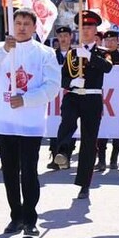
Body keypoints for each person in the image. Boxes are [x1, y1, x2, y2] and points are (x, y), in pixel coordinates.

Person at [0, 8, 60, 235]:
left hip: (31, 123)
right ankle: (16, 216)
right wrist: (4, 50)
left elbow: (52, 86)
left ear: (34, 27)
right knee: (10, 172)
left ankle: (30, 218)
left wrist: (26, 99)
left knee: (29, 172)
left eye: (26, 23)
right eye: (18, 23)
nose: (22, 27)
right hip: (4, 121)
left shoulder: (45, 53)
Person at [51, 10, 112, 199]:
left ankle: (84, 184)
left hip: (92, 99)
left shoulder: (103, 52)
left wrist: (89, 56)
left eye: (90, 27)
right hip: (74, 96)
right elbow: (62, 78)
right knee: (66, 123)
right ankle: (63, 152)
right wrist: (71, 83)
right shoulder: (71, 53)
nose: (86, 30)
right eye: (83, 27)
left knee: (88, 141)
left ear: (95, 30)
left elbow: (107, 67)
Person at [96, 29, 119, 171]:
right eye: (107, 40)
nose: (109, 43)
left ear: (117, 42)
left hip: (118, 99)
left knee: (117, 129)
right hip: (101, 98)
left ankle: (114, 158)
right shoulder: (98, 55)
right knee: (101, 129)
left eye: (112, 40)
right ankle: (101, 159)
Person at [48, 25, 76, 170]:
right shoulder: (52, 55)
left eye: (66, 36)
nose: (63, 39)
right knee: (53, 125)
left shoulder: (77, 54)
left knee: (68, 124)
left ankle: (66, 155)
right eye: (60, 36)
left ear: (71, 37)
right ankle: (55, 156)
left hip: (71, 94)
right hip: (54, 93)